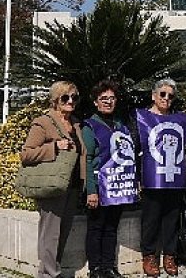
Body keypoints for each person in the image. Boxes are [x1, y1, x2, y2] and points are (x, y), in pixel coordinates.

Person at [21, 81, 84, 278]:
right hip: (52, 185)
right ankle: (51, 274)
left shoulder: (76, 123)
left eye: (74, 97)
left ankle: (47, 274)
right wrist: (54, 147)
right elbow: (26, 154)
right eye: (65, 97)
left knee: (62, 234)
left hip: (72, 185)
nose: (70, 101)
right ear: (55, 100)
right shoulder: (44, 122)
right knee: (51, 235)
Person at [130, 79, 186, 278]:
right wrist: (137, 176)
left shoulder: (180, 120)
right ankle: (149, 255)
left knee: (172, 218)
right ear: (154, 96)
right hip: (151, 177)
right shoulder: (141, 118)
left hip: (174, 178)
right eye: (162, 94)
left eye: (170, 96)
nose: (166, 99)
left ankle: (170, 255)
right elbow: (135, 148)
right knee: (151, 218)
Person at [82, 80, 137, 278]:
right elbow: (87, 159)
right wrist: (91, 190)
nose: (108, 102)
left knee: (112, 227)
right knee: (96, 228)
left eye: (111, 98)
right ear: (96, 102)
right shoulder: (90, 126)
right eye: (103, 99)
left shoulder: (121, 125)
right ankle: (95, 268)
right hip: (100, 186)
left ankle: (109, 266)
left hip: (118, 187)